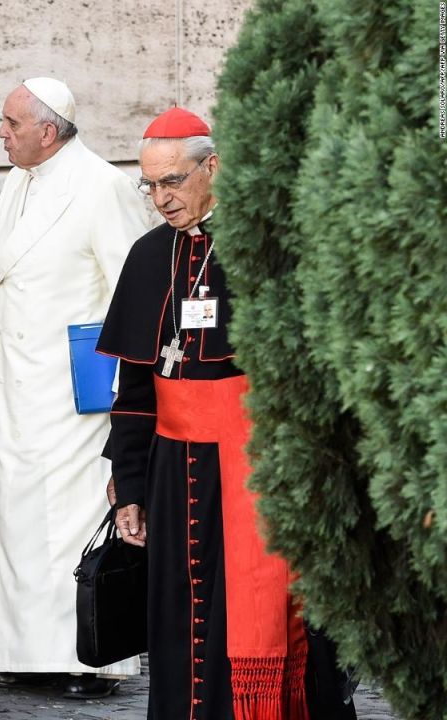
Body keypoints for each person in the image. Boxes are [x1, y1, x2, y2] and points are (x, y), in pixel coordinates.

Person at [98, 107, 358, 719]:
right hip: (171, 474)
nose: (161, 198)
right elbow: (133, 392)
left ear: (211, 167)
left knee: (267, 617)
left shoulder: (270, 250)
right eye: (151, 185)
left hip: (257, 475)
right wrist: (129, 485)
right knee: (178, 623)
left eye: (173, 182)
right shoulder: (146, 257)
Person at [0, 78, 151, 698]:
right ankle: (23, 652)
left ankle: (86, 658)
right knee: (16, 529)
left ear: (48, 131)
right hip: (15, 393)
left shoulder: (104, 187)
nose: (0, 132)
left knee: (70, 526)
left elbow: (134, 293)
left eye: (10, 123)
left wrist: (127, 393)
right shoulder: (18, 181)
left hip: (77, 393)